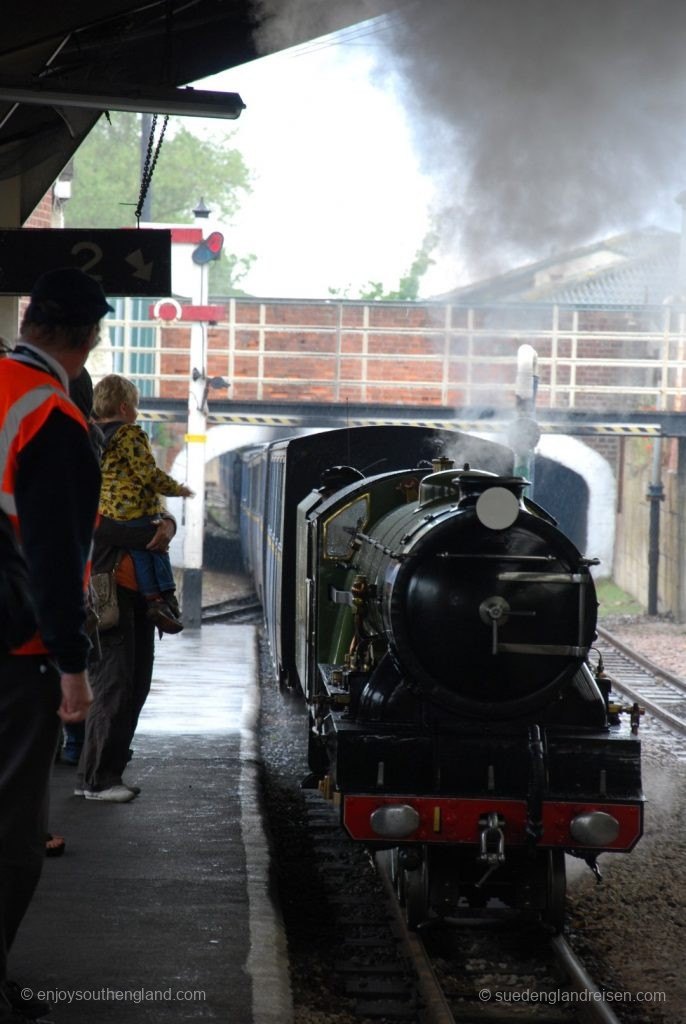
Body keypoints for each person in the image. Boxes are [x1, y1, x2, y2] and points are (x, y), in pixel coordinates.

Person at [0, 267, 107, 1022]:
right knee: (12, 829)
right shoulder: (53, 418)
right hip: (14, 654)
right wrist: (72, 667)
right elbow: (55, 557)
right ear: (87, 339)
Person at [74, 510, 177, 803]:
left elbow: (159, 513)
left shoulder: (131, 482)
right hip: (109, 599)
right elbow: (101, 527)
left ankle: (96, 774)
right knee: (113, 687)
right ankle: (100, 779)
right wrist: (153, 533)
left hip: (139, 600)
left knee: (136, 686)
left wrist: (168, 524)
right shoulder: (92, 482)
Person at [92, 373, 192, 633]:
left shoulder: (98, 437)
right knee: (154, 542)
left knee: (143, 548)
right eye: (136, 406)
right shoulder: (131, 434)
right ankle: (165, 595)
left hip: (112, 511)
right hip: (130, 516)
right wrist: (176, 488)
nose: (137, 412)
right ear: (124, 407)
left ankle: (155, 599)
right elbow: (148, 474)